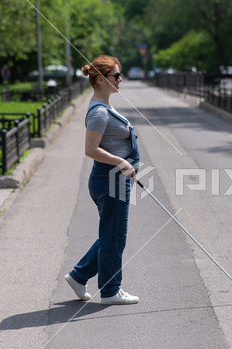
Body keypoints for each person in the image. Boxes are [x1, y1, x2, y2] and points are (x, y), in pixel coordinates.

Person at [64, 55, 140, 305]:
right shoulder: (98, 112)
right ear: (100, 79)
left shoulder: (105, 106)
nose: (120, 79)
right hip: (110, 180)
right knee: (114, 237)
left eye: (120, 74)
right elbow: (90, 149)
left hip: (114, 180)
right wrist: (123, 162)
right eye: (116, 75)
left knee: (112, 234)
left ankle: (79, 276)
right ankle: (110, 291)